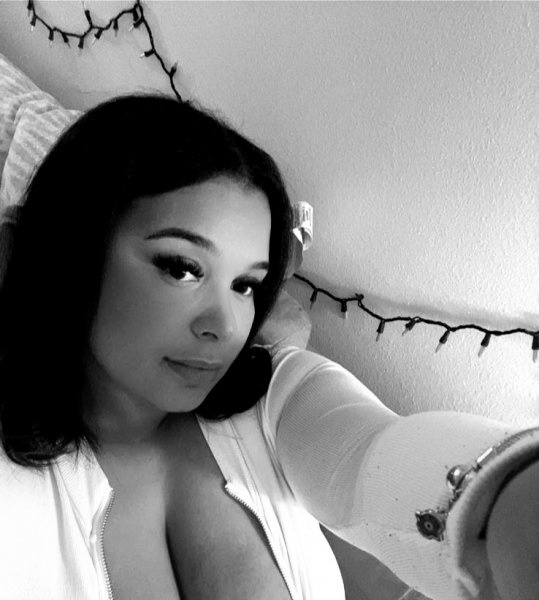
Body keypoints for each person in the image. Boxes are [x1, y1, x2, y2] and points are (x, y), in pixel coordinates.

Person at [0, 93, 537, 600]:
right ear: (71, 248)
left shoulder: (277, 395)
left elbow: (375, 455)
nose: (226, 326)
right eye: (183, 268)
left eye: (246, 286)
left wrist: (508, 495)